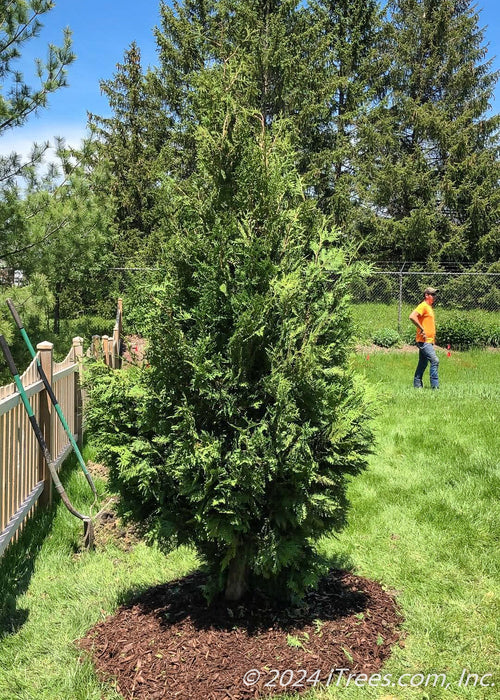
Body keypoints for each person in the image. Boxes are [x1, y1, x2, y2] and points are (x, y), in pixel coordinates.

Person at [409, 287, 439, 389]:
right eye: (432, 294)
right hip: (424, 340)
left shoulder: (429, 307)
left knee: (422, 364)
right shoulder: (423, 306)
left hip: (428, 341)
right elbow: (412, 316)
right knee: (435, 360)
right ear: (426, 295)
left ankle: (417, 386)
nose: (434, 297)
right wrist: (421, 328)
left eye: (435, 295)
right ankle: (435, 388)